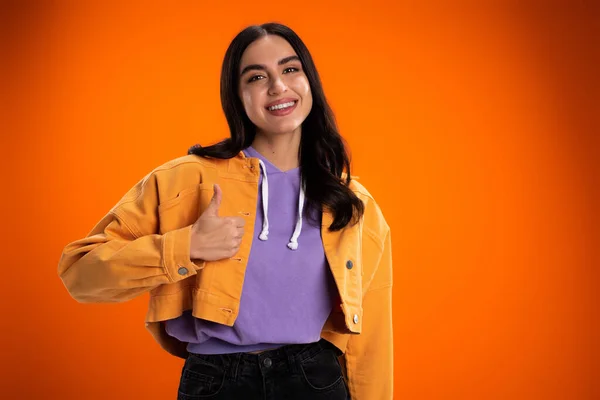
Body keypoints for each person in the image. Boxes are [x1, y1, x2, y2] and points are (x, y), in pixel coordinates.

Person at [58, 22, 393, 399]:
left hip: (315, 380)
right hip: (217, 382)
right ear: (237, 95)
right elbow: (80, 275)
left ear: (308, 81)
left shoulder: (351, 202)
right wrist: (186, 246)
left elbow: (371, 334)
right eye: (256, 76)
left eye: (289, 69)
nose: (278, 86)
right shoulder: (186, 181)